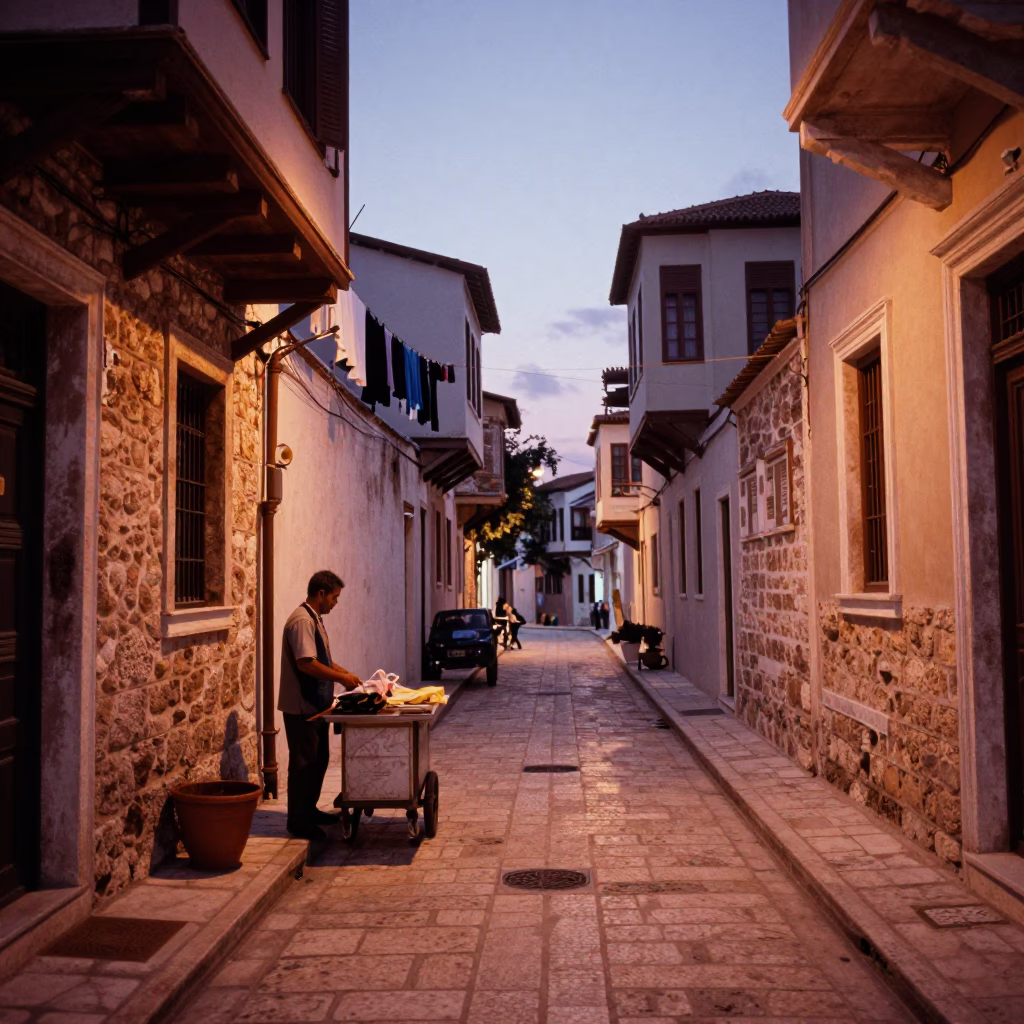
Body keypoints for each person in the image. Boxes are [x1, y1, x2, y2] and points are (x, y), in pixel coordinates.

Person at [278, 569, 363, 841]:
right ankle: (298, 821)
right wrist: (341, 678)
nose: (335, 603)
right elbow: (307, 664)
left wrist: (344, 673)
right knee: (304, 764)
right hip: (301, 707)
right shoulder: (302, 621)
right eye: (334, 598)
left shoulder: (314, 619)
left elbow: (321, 659)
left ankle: (309, 811)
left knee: (318, 759)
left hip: (316, 707)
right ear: (322, 593)